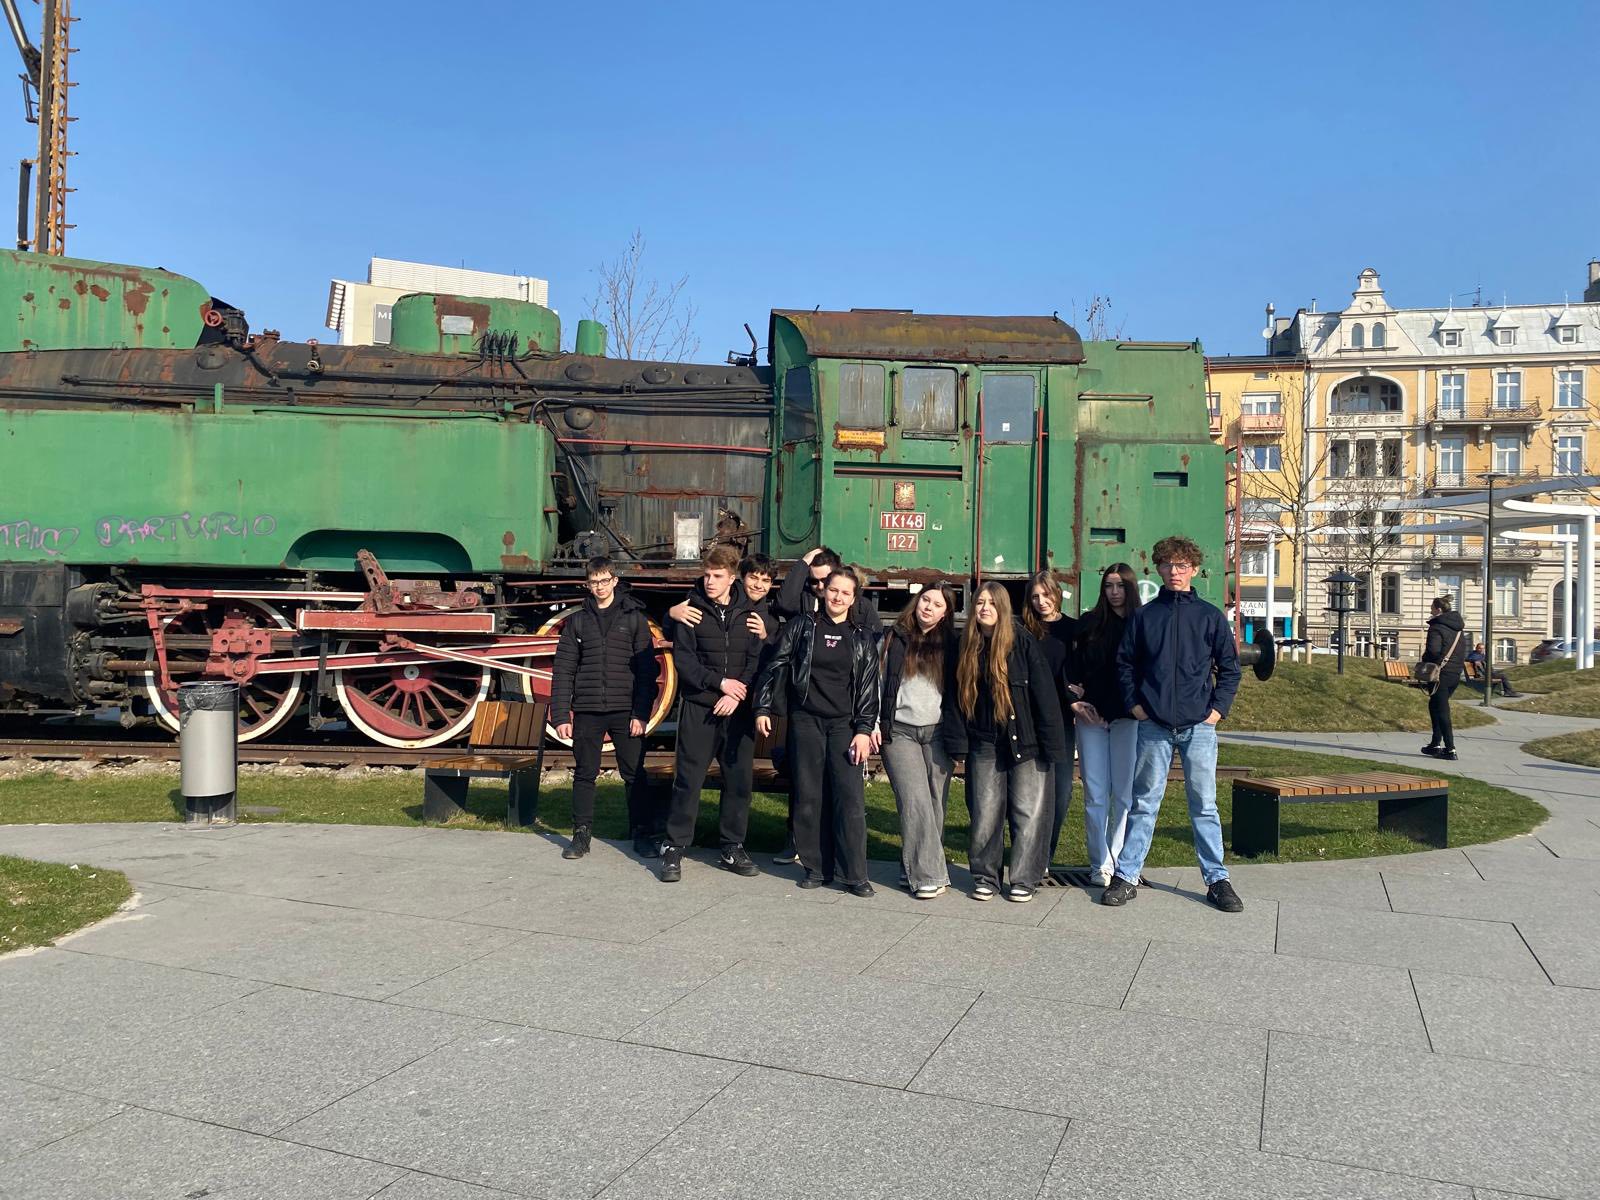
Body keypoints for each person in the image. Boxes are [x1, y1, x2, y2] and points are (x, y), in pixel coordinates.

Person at [1106, 535, 1243, 913]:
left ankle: (1217, 880)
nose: (1174, 571)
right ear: (1158, 569)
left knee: (1204, 805)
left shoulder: (1210, 617)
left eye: (1182, 565)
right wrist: (1135, 706)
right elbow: (1124, 665)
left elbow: (1229, 669)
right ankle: (1126, 876)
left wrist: (1217, 711)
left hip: (1199, 726)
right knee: (1144, 804)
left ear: (1194, 569)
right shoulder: (1144, 617)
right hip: (1154, 725)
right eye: (1167, 564)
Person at [941, 581, 1068, 903]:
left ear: (1003, 608)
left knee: (1029, 813)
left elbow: (1044, 696)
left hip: (1027, 741)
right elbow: (955, 699)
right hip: (985, 741)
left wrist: (1052, 746)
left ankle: (1024, 878)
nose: (985, 608)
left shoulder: (1022, 642)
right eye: (980, 602)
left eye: (992, 603)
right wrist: (958, 742)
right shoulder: (964, 645)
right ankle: (986, 876)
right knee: (985, 813)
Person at [756, 570, 880, 897]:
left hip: (844, 726)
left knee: (849, 800)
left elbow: (869, 689)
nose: (838, 597)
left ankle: (854, 874)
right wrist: (763, 707)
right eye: (833, 590)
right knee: (809, 796)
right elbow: (775, 664)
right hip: (806, 720)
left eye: (845, 593)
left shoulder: (862, 637)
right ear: (824, 591)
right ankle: (815, 867)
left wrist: (864, 730)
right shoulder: (802, 626)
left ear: (854, 599)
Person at [661, 545, 766, 883]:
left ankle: (732, 846)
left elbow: (756, 660)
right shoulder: (690, 611)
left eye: (717, 576)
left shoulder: (749, 614)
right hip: (700, 707)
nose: (710, 581)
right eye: (706, 575)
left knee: (738, 781)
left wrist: (738, 692)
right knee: (688, 780)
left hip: (738, 710)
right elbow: (685, 661)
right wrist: (720, 684)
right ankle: (675, 846)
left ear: (732, 577)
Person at [549, 556, 660, 860]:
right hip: (587, 710)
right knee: (585, 773)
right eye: (593, 582)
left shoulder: (634, 618)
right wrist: (561, 715)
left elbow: (647, 671)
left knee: (634, 774)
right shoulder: (577, 621)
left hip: (625, 709)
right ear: (588, 584)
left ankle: (642, 833)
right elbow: (564, 669)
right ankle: (581, 834)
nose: (599, 586)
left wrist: (641, 713)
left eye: (604, 580)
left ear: (614, 580)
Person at [873, 584, 959, 898]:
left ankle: (910, 867)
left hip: (938, 732)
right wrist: (873, 723)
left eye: (937, 604)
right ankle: (927, 876)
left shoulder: (952, 644)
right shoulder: (893, 637)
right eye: (926, 600)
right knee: (914, 801)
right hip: (899, 731)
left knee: (936, 804)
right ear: (917, 601)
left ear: (945, 613)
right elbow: (877, 682)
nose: (929, 607)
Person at [1065, 563, 1142, 886]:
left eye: (1120, 585)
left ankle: (1120, 860)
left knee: (1124, 794)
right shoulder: (1089, 623)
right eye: (1109, 586)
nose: (1114, 592)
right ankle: (1100, 863)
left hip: (1128, 718)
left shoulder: (1141, 623)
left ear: (1130, 588)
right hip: (1092, 717)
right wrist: (1073, 698)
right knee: (1095, 793)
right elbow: (1069, 666)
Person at [1022, 568, 1079, 881]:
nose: (1041, 601)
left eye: (1046, 595)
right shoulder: (1024, 631)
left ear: (1057, 594)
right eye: (1035, 597)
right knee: (1028, 795)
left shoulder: (1072, 630)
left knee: (1061, 793)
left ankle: (1044, 855)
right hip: (1028, 721)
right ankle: (1025, 854)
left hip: (1061, 722)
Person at [1421, 597, 1468, 760]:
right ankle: (1435, 743)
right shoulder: (1458, 628)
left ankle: (1450, 749)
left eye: (1432, 608)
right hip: (1455, 673)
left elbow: (1433, 651)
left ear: (1439, 610)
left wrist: (1425, 660)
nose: (1430, 610)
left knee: (1442, 710)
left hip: (1440, 673)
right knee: (1435, 705)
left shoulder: (1437, 627)